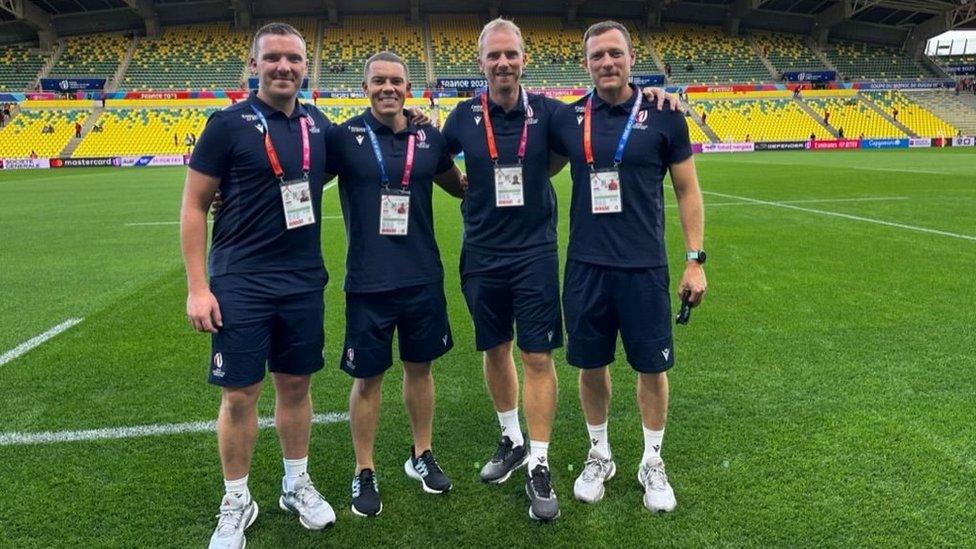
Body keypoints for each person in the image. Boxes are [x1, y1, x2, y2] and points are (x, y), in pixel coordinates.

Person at [441, 17, 678, 523]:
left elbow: (556, 158)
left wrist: (663, 97)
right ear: (481, 62)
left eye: (511, 54)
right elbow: (435, 163)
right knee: (493, 347)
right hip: (480, 252)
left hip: (536, 253)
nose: (503, 63)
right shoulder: (461, 117)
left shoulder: (552, 114)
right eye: (493, 55)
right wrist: (464, 185)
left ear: (525, 58)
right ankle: (511, 439)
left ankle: (540, 462)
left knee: (537, 357)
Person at [179, 22, 336, 549]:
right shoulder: (226, 125)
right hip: (240, 282)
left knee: (295, 387)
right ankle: (237, 498)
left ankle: (296, 483)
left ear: (305, 65)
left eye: (294, 58)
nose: (284, 67)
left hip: (302, 281)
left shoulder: (317, 124)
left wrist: (414, 118)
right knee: (241, 394)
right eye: (273, 58)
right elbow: (195, 205)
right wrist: (198, 288)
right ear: (254, 64)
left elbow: (341, 161)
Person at [548, 20, 706, 514]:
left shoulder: (664, 116)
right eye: (597, 56)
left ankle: (651, 461)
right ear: (586, 64)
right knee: (590, 365)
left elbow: (687, 190)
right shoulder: (569, 120)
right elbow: (528, 158)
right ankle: (600, 453)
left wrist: (694, 260)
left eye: (615, 53)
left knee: (651, 368)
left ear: (631, 57)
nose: (607, 63)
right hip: (586, 266)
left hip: (644, 267)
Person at [324, 51, 465, 518]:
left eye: (397, 81)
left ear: (409, 87)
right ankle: (364, 469)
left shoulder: (428, 136)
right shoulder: (345, 138)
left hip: (422, 276)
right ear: (365, 87)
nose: (388, 88)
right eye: (379, 81)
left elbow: (460, 185)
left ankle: (421, 454)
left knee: (420, 371)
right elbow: (299, 177)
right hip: (368, 281)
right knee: (368, 379)